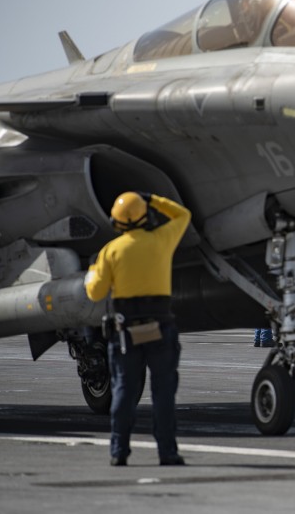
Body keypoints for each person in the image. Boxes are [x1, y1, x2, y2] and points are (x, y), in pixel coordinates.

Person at [85, 192, 192, 467]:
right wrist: (152, 199)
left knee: (123, 392)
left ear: (116, 221)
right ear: (146, 216)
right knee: (163, 393)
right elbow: (183, 215)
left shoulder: (112, 251)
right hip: (160, 329)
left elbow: (95, 293)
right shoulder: (161, 241)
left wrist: (93, 273)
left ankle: (119, 452)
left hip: (126, 333)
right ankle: (167, 452)